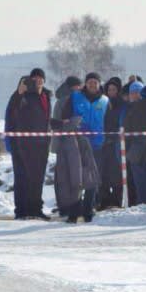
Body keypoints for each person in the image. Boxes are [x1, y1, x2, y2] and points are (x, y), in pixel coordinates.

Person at [4, 68, 53, 220]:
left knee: (38, 178)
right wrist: (18, 93)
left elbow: (45, 120)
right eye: (35, 79)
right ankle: (21, 210)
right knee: (24, 178)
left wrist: (60, 124)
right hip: (25, 144)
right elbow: (13, 109)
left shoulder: (46, 96)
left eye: (40, 78)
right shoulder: (24, 96)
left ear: (44, 80)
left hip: (43, 144)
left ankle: (36, 209)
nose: (38, 81)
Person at [61, 72, 108, 221]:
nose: (92, 85)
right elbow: (65, 117)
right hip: (78, 144)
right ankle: (74, 211)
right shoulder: (75, 97)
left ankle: (88, 209)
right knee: (76, 177)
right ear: (85, 84)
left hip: (98, 144)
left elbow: (110, 120)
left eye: (95, 82)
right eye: (90, 82)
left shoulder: (105, 100)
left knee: (92, 178)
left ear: (99, 84)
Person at [98, 76, 125, 210]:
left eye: (114, 89)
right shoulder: (104, 104)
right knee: (103, 173)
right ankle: (104, 201)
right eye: (109, 90)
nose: (111, 92)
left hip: (117, 144)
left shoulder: (122, 105)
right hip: (105, 143)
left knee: (116, 175)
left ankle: (116, 201)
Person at [124, 80, 144, 206]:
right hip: (130, 148)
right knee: (131, 179)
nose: (135, 95)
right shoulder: (127, 108)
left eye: (138, 92)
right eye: (133, 93)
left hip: (145, 149)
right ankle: (132, 204)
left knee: (143, 180)